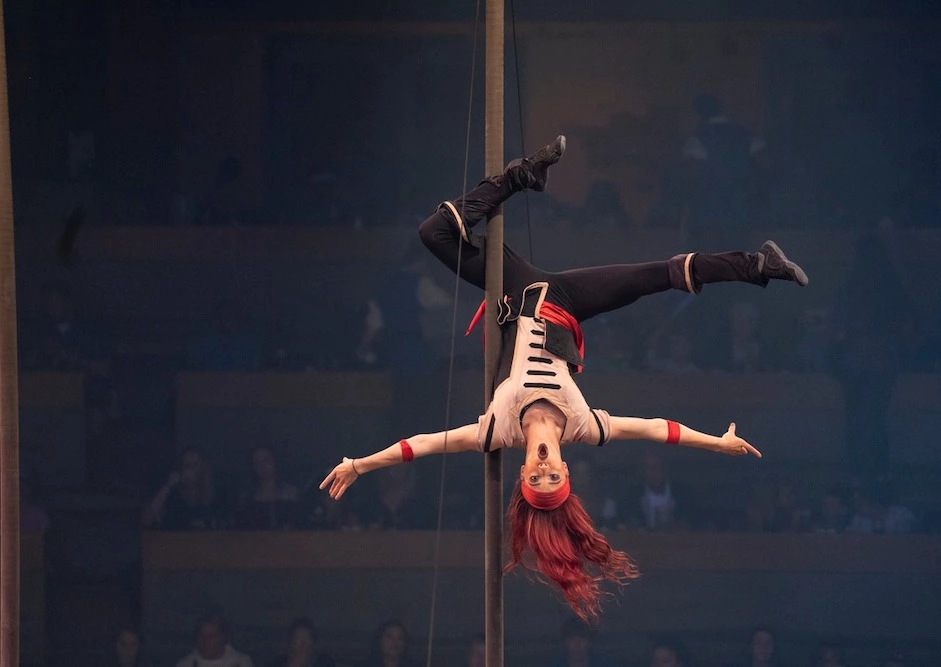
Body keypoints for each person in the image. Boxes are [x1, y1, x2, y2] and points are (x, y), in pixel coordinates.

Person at [321, 136, 808, 619]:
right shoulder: (583, 427)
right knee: (657, 276)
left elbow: (422, 444)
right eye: (553, 475)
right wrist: (716, 444)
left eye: (536, 477)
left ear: (524, 473)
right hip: (569, 300)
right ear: (566, 472)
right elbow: (659, 429)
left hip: (517, 287)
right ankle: (760, 266)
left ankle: (519, 177)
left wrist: (361, 465)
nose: (543, 466)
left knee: (433, 233)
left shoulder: (498, 430)